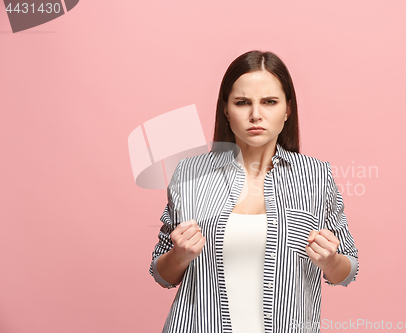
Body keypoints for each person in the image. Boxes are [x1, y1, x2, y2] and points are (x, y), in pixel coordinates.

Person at [149, 50, 359, 333]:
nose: (255, 114)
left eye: (269, 102)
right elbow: (161, 275)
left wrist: (331, 260)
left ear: (287, 109)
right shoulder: (189, 174)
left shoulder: (316, 176)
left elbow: (348, 271)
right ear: (226, 108)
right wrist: (180, 254)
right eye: (242, 102)